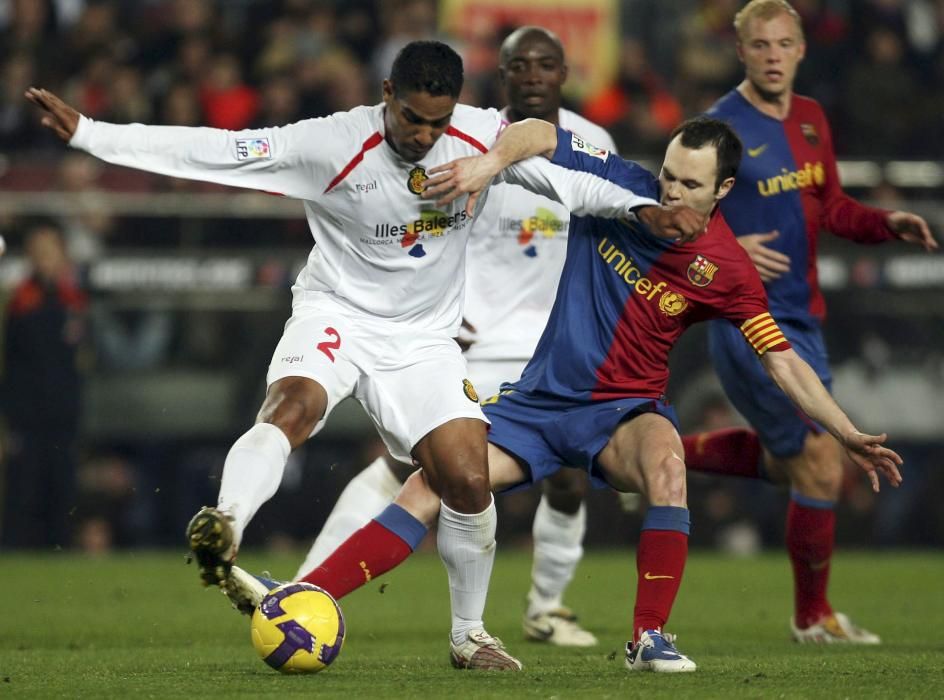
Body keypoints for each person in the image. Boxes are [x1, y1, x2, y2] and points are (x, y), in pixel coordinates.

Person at [26, 40, 690, 670]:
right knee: (294, 407)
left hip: (424, 339)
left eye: (437, 122)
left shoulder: (474, 137)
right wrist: (92, 134)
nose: (424, 136)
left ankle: (468, 634)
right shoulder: (330, 143)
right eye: (411, 118)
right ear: (385, 94)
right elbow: (218, 152)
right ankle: (226, 526)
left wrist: (638, 206)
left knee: (466, 478)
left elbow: (552, 154)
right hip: (337, 313)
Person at [227, 115, 903, 673]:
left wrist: (844, 431)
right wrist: (493, 161)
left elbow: (783, 363)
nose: (669, 190)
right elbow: (537, 133)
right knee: (429, 485)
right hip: (542, 403)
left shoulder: (726, 270)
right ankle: (305, 598)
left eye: (689, 184)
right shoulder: (619, 185)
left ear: (722, 188)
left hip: (622, 415)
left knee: (667, 465)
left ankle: (647, 639)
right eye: (667, 172)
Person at [294, 25, 614, 649]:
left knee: (572, 477)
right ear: (502, 75)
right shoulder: (463, 139)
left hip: (557, 345)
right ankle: (308, 585)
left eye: (545, 65)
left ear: (563, 75)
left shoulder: (589, 142)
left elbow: (609, 233)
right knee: (416, 468)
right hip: (478, 340)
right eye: (519, 66)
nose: (532, 76)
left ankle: (545, 607)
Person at [681, 0, 937, 644]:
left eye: (783, 44)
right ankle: (812, 619)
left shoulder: (814, 120)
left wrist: (884, 224)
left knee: (790, 461)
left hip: (805, 319)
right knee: (823, 462)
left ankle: (649, 455)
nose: (772, 55)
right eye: (759, 45)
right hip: (748, 323)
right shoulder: (716, 128)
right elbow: (679, 220)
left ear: (800, 49)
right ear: (741, 52)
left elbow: (831, 207)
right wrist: (731, 248)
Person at [2, 221, 87, 548]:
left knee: (62, 490)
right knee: (23, 491)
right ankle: (15, 555)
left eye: (50, 252)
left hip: (63, 413)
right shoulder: (18, 302)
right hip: (25, 415)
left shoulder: (73, 301)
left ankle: (60, 554)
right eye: (38, 252)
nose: (45, 259)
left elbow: (80, 362)